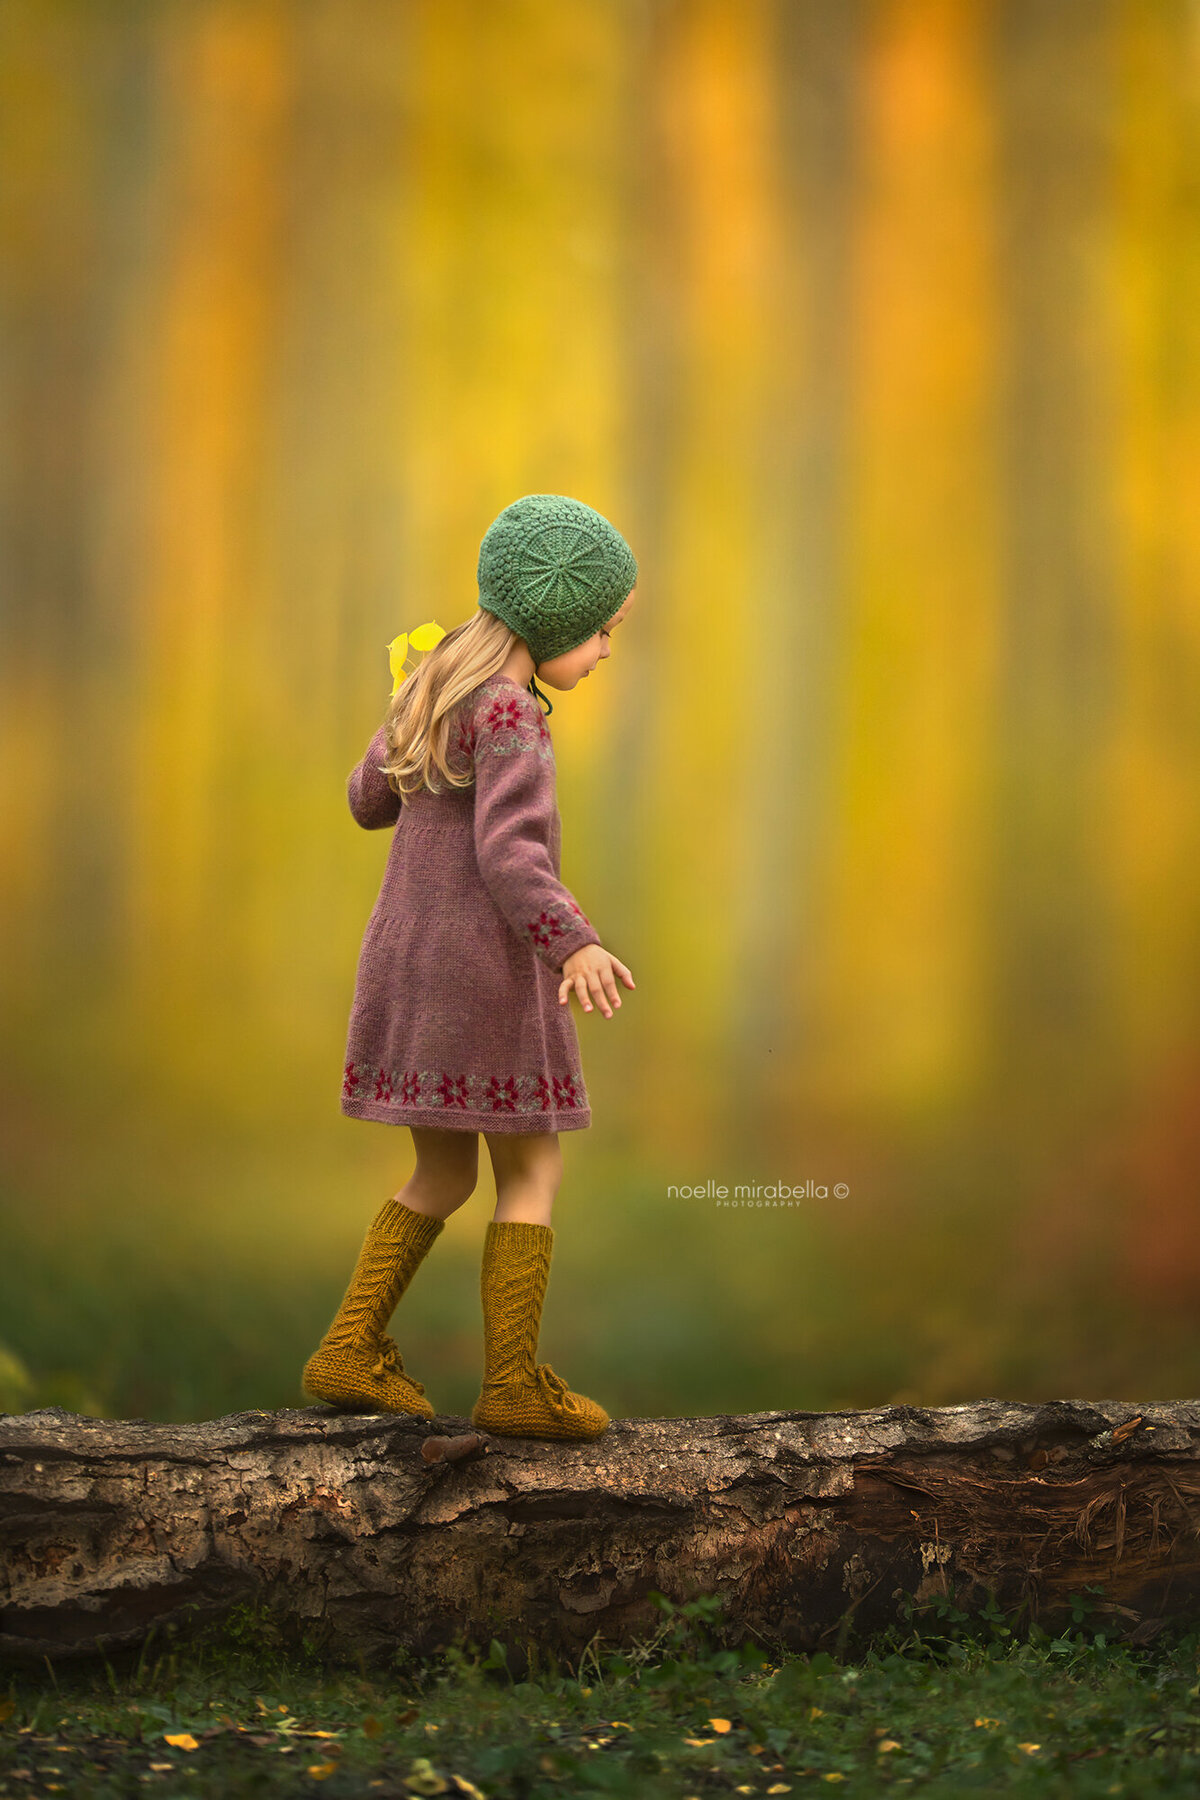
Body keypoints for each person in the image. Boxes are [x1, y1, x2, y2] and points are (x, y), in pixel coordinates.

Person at [301, 494, 638, 1441]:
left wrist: (406, 699)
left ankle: (349, 1346)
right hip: (481, 970)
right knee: (532, 1166)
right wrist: (576, 939)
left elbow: (370, 799)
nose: (608, 650)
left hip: (406, 962)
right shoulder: (513, 715)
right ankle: (513, 1385)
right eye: (603, 632)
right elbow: (510, 854)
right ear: (555, 624)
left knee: (442, 1174)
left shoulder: (437, 683)